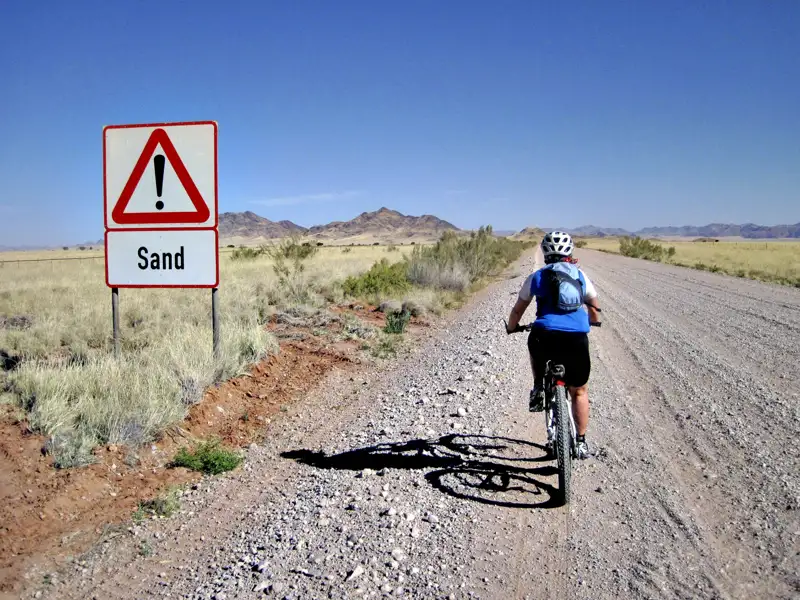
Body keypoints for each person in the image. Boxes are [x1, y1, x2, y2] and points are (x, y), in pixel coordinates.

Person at [505, 230, 601, 459]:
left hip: (544, 336)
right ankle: (580, 442)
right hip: (575, 339)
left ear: (545, 252)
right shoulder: (580, 275)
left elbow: (518, 310)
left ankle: (539, 386)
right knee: (579, 391)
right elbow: (594, 308)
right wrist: (594, 322)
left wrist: (511, 328)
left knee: (534, 343)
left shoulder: (536, 277)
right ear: (569, 252)